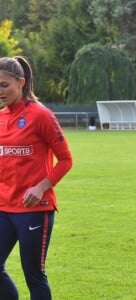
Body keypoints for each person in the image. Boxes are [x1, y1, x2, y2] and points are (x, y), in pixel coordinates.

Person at [0, 56, 73, 299]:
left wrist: (41, 187)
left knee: (34, 274)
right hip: (4, 207)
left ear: (20, 82)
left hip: (34, 209)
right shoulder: (1, 117)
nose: (0, 91)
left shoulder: (41, 115)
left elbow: (66, 160)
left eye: (4, 85)